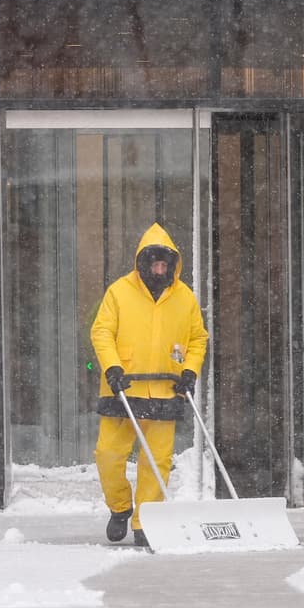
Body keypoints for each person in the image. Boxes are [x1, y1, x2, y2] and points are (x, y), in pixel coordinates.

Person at [90, 223, 208, 546]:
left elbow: (198, 338)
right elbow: (101, 331)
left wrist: (190, 371)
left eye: (164, 265)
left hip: (165, 390)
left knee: (156, 461)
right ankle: (120, 507)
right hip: (122, 388)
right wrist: (112, 366)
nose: (159, 270)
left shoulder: (185, 298)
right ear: (142, 264)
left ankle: (146, 521)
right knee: (108, 455)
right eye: (154, 264)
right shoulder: (119, 292)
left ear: (172, 266)